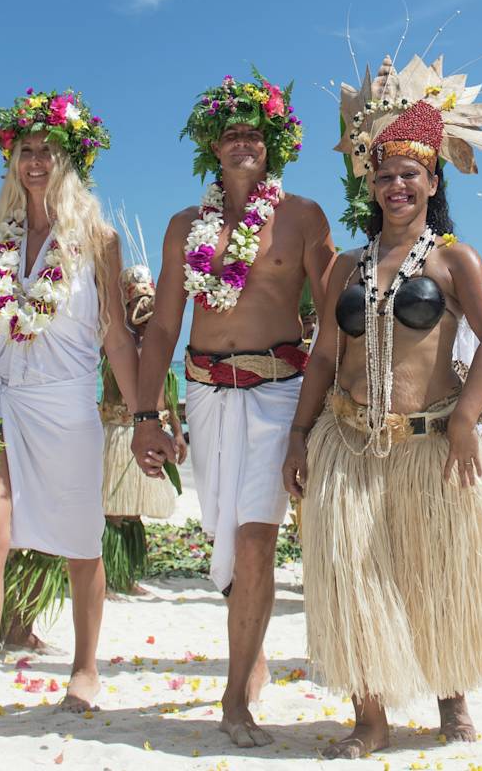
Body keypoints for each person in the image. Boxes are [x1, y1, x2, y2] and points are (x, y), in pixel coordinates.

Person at [281, 54, 482, 759]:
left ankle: (452, 696)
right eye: (383, 174)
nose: (396, 186)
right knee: (355, 581)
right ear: (370, 184)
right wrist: (298, 438)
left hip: (429, 444)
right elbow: (323, 356)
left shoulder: (454, 260)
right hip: (348, 443)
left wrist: (468, 421)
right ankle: (370, 719)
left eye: (409, 174)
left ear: (432, 181)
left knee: (436, 572)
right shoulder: (343, 268)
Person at [0, 89, 142, 744]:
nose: (36, 162)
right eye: (26, 152)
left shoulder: (97, 239)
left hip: (67, 406)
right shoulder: (0, 239)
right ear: (13, 161)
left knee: (81, 543)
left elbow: (114, 335)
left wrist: (145, 413)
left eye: (48, 151)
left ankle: (84, 666)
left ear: (70, 160)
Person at [131, 71, 332, 748]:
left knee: (254, 541)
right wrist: (145, 414)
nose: (243, 142)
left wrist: (320, 416)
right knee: (225, 539)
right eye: (231, 134)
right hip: (205, 394)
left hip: (277, 393)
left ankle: (234, 693)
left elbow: (334, 317)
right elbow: (160, 327)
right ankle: (251, 653)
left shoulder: (303, 216)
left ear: (273, 145)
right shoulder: (185, 227)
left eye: (255, 132)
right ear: (212, 149)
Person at [99, 259, 180, 596]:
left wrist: (177, 430)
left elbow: (169, 394)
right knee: (115, 511)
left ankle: (127, 577)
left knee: (134, 514)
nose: (144, 310)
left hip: (152, 430)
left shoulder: (160, 345)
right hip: (121, 432)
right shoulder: (118, 344)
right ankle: (106, 579)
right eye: (136, 304)